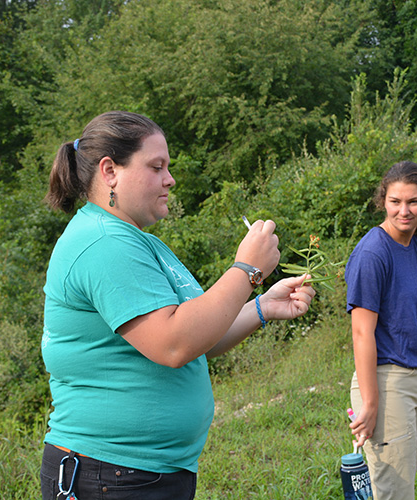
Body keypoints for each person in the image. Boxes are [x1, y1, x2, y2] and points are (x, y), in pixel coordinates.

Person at [39, 110, 316, 500]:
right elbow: (173, 344)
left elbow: (195, 336)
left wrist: (262, 307)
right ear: (110, 171)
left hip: (138, 473)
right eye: (156, 167)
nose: (170, 179)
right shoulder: (104, 242)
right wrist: (247, 269)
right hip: (110, 475)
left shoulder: (139, 241)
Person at [346, 161, 417, 500]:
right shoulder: (373, 252)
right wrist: (371, 402)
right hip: (386, 382)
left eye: (414, 201)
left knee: (401, 488)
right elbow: (362, 333)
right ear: (383, 202)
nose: (405, 210)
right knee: (393, 492)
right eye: (395, 201)